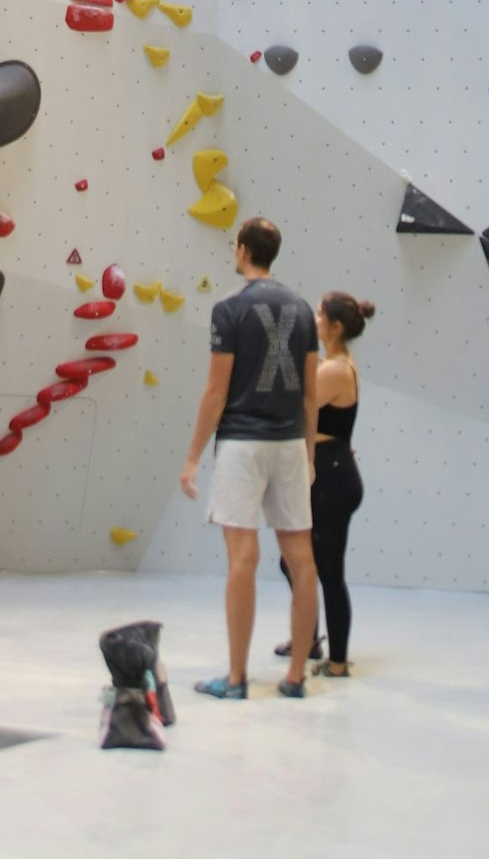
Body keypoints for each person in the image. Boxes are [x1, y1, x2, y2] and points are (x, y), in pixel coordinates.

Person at [180, 217, 319, 700]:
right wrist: (308, 452)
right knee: (302, 560)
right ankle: (297, 676)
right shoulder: (303, 310)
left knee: (243, 558)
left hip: (242, 443)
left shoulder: (229, 309)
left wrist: (193, 456)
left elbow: (217, 390)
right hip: (289, 446)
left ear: (241, 251)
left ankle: (237, 679)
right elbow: (309, 393)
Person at [273, 292, 372, 678]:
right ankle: (309, 637)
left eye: (318, 314)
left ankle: (337, 661)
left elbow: (293, 405)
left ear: (334, 327)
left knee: (328, 570)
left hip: (332, 477)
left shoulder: (334, 370)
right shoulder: (336, 364)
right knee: (293, 562)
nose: (313, 319)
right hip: (328, 473)